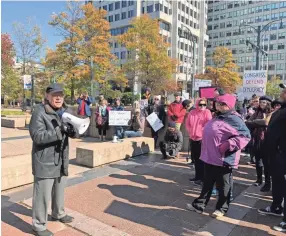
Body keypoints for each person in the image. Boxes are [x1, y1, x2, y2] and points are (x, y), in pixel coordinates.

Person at [187, 94, 250, 218]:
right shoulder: (218, 116)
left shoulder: (234, 119)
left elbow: (245, 136)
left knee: (223, 185)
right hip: (210, 156)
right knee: (207, 183)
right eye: (218, 103)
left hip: (223, 158)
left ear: (228, 106)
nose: (218, 105)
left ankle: (221, 208)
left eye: (221, 104)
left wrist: (228, 144)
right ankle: (200, 205)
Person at [29, 83, 75, 236]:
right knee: (42, 195)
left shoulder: (64, 112)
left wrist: (74, 131)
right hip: (45, 160)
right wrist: (59, 131)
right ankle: (39, 225)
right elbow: (37, 136)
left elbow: (69, 132)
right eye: (55, 95)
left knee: (59, 191)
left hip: (61, 158)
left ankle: (58, 213)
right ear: (47, 96)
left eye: (60, 95)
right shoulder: (39, 112)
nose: (58, 98)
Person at [258, 84, 286, 232]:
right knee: (278, 183)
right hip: (275, 154)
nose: (282, 92)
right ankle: (276, 207)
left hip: (283, 153)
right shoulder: (281, 109)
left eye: (285, 90)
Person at [246, 96, 272, 191]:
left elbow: (266, 123)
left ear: (268, 103)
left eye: (264, 102)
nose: (261, 104)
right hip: (257, 140)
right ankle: (259, 179)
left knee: (267, 163)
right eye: (260, 102)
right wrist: (256, 123)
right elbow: (248, 122)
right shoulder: (257, 112)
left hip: (267, 140)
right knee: (258, 162)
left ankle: (268, 183)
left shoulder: (271, 113)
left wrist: (255, 123)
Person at [185, 98, 212, 185]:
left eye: (204, 104)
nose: (202, 106)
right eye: (200, 104)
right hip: (193, 138)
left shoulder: (207, 112)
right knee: (196, 159)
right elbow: (187, 124)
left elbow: (209, 124)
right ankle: (197, 176)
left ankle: (203, 178)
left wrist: (200, 132)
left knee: (202, 159)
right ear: (197, 104)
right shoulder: (192, 112)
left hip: (202, 139)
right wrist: (191, 132)